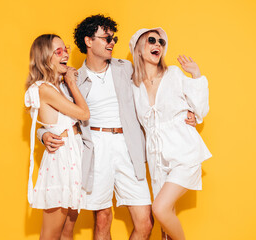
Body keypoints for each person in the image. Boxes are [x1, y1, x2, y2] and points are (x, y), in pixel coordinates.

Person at [37, 15, 196, 240]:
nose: (112, 42)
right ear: (89, 41)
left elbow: (159, 88)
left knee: (145, 222)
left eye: (114, 38)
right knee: (103, 219)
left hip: (128, 147)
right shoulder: (73, 77)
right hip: (94, 148)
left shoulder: (126, 68)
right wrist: (43, 134)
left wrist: (190, 111)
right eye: (106, 38)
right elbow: (53, 111)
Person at [129, 28, 212, 240]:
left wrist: (196, 74)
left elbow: (200, 109)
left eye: (161, 42)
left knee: (160, 208)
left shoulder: (173, 74)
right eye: (152, 40)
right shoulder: (133, 85)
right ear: (138, 48)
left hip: (183, 152)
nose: (158, 45)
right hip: (157, 158)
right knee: (164, 224)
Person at [24, 34, 90, 240]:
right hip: (60, 160)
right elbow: (84, 114)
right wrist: (72, 83)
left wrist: (66, 83)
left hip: (73, 157)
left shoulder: (58, 86)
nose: (66, 55)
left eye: (66, 49)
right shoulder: (44, 88)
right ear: (45, 58)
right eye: (58, 51)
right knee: (51, 234)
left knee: (67, 230)